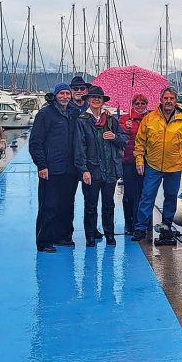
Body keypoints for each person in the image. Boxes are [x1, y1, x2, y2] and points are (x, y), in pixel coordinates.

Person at [131, 87, 182, 244]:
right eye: (165, 98)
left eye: (171, 98)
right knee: (147, 197)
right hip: (153, 166)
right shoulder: (150, 119)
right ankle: (140, 228)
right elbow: (140, 142)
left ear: (175, 101)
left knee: (170, 198)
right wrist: (139, 160)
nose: (168, 101)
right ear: (160, 100)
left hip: (174, 167)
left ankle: (166, 227)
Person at [74, 86, 128, 247]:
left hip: (110, 169)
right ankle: (90, 237)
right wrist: (83, 169)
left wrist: (114, 137)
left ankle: (109, 235)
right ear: (88, 100)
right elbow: (79, 147)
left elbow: (124, 138)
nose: (96, 100)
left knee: (108, 204)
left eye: (99, 97)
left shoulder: (111, 120)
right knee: (90, 205)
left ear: (103, 101)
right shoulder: (82, 121)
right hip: (92, 170)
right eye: (93, 97)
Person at [29, 83, 80, 252]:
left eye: (67, 93)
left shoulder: (74, 113)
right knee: (48, 205)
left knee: (67, 205)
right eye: (61, 94)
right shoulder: (45, 114)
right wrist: (41, 165)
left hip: (70, 169)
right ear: (56, 95)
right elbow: (35, 142)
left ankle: (63, 236)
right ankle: (44, 241)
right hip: (50, 168)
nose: (65, 97)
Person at [118, 93, 149, 235]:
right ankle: (128, 222)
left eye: (143, 103)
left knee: (145, 193)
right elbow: (118, 136)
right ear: (133, 104)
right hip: (129, 160)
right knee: (129, 193)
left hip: (146, 161)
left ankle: (143, 222)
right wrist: (125, 127)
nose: (140, 106)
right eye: (137, 103)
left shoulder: (150, 119)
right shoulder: (125, 119)